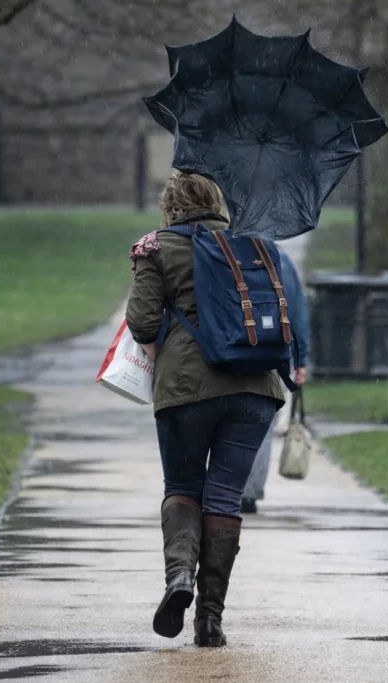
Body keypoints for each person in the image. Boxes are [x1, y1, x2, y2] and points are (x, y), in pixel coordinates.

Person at [125, 171, 285, 648]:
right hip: (255, 386)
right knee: (225, 496)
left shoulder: (156, 247)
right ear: (217, 201)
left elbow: (142, 322)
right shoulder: (255, 243)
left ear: (170, 205)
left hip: (186, 388)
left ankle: (180, 577)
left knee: (182, 487)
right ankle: (210, 619)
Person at [241, 246, 309, 514]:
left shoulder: (221, 255)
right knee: (262, 424)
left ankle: (222, 488)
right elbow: (297, 313)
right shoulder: (281, 261)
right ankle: (249, 492)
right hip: (272, 354)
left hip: (232, 351)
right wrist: (301, 359)